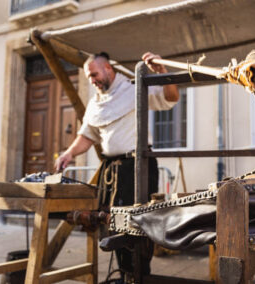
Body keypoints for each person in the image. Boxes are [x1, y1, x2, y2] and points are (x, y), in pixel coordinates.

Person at [54, 51, 179, 278]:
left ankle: (139, 276)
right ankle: (124, 275)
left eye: (94, 74)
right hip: (112, 170)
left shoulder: (134, 87)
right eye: (89, 77)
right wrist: (68, 154)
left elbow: (171, 98)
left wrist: (163, 73)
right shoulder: (96, 102)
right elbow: (87, 135)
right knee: (113, 225)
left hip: (138, 167)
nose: (92, 80)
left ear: (108, 69)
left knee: (137, 226)